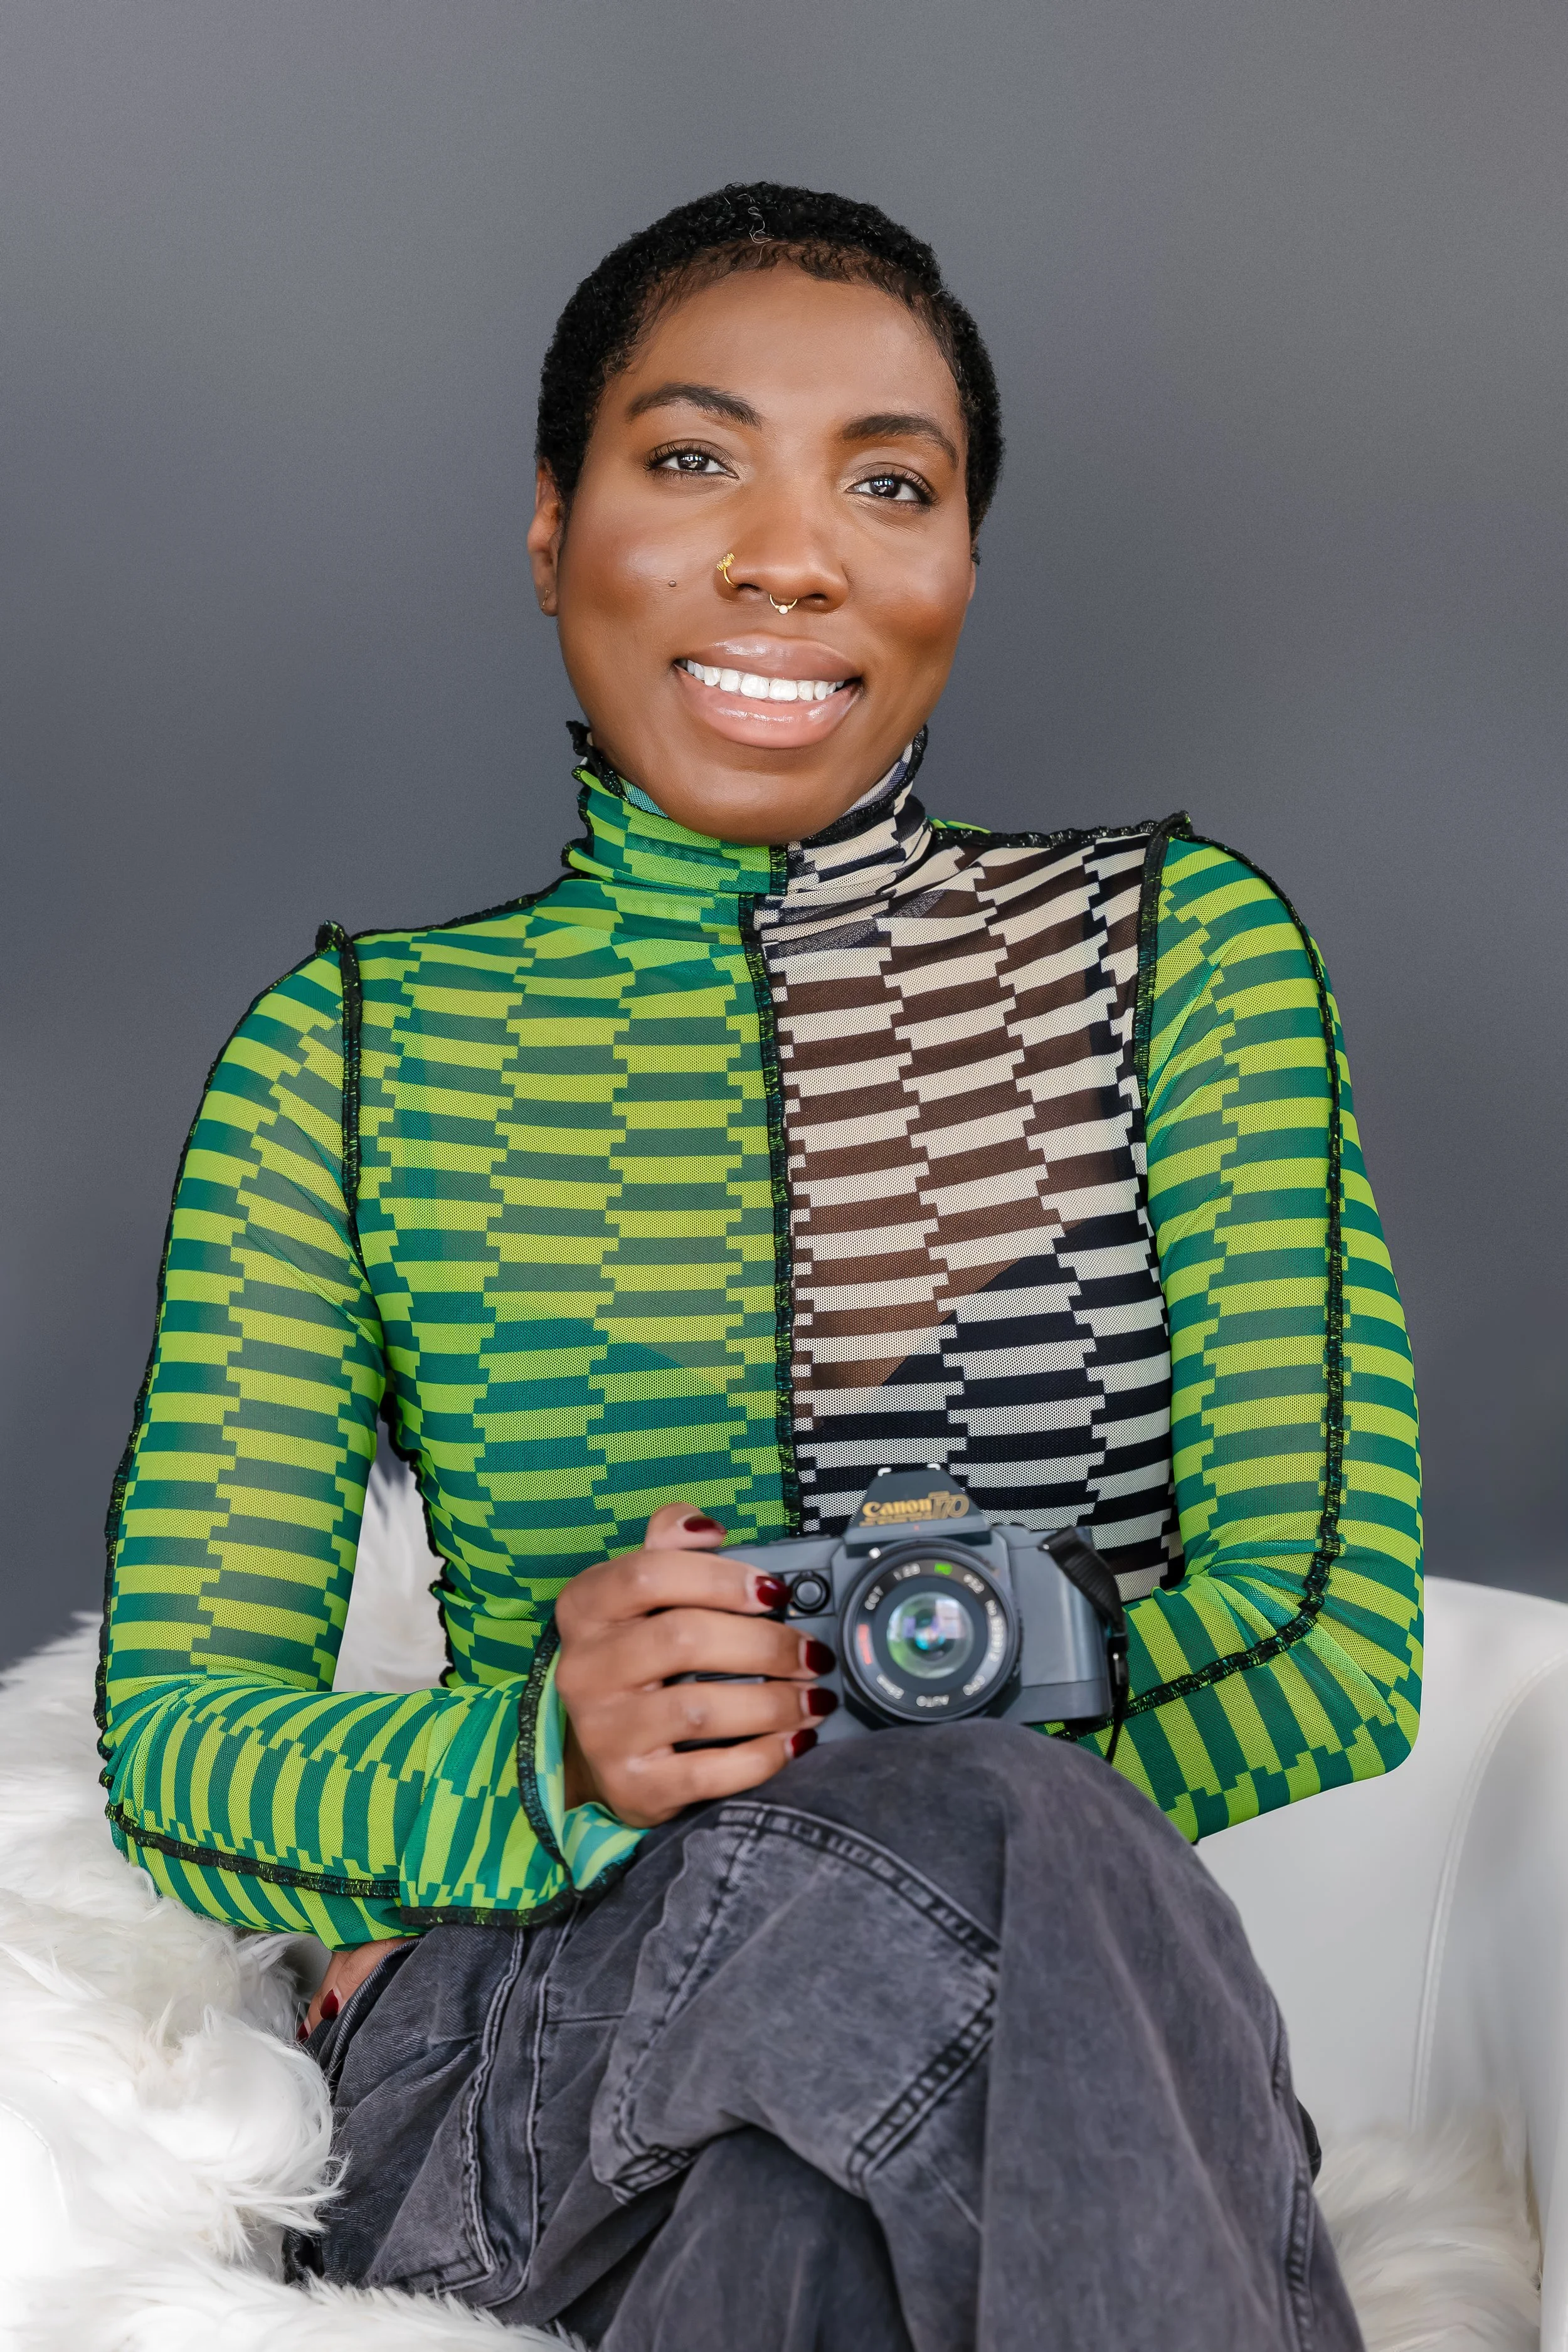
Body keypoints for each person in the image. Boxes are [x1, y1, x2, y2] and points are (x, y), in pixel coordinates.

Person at [98, 183, 1421, 2349]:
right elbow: (172, 1733)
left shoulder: (1177, 963)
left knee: (817, 2213)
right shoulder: (349, 1056)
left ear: (962, 567)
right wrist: (549, 1757)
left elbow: (1334, 1632)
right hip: (534, 2057)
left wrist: (871, 1730)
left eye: (886, 484)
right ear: (552, 529)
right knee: (1008, 1828)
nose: (788, 555)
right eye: (691, 457)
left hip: (1010, 2018)